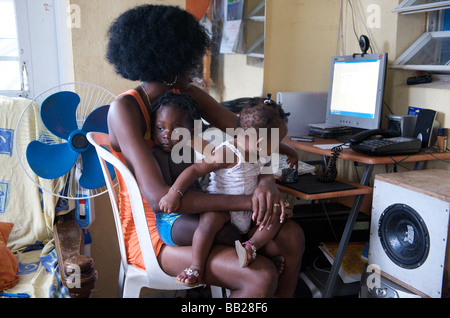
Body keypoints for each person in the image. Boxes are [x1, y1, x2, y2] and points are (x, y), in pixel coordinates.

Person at [106, 4, 304, 297]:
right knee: (259, 276)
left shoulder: (187, 94)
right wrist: (248, 202)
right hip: (157, 234)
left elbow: (248, 137)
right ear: (171, 61)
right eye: (191, 61)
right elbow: (162, 198)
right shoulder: (124, 109)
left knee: (291, 237)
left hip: (205, 217)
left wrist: (266, 180)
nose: (196, 67)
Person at [159, 96, 293, 286]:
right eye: (278, 141)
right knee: (208, 223)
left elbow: (266, 171)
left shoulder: (261, 153)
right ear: (260, 141)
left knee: (275, 216)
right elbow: (196, 170)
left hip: (250, 209)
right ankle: (197, 266)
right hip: (223, 209)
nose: (278, 146)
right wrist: (175, 192)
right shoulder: (228, 152)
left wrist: (293, 154)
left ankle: (251, 247)